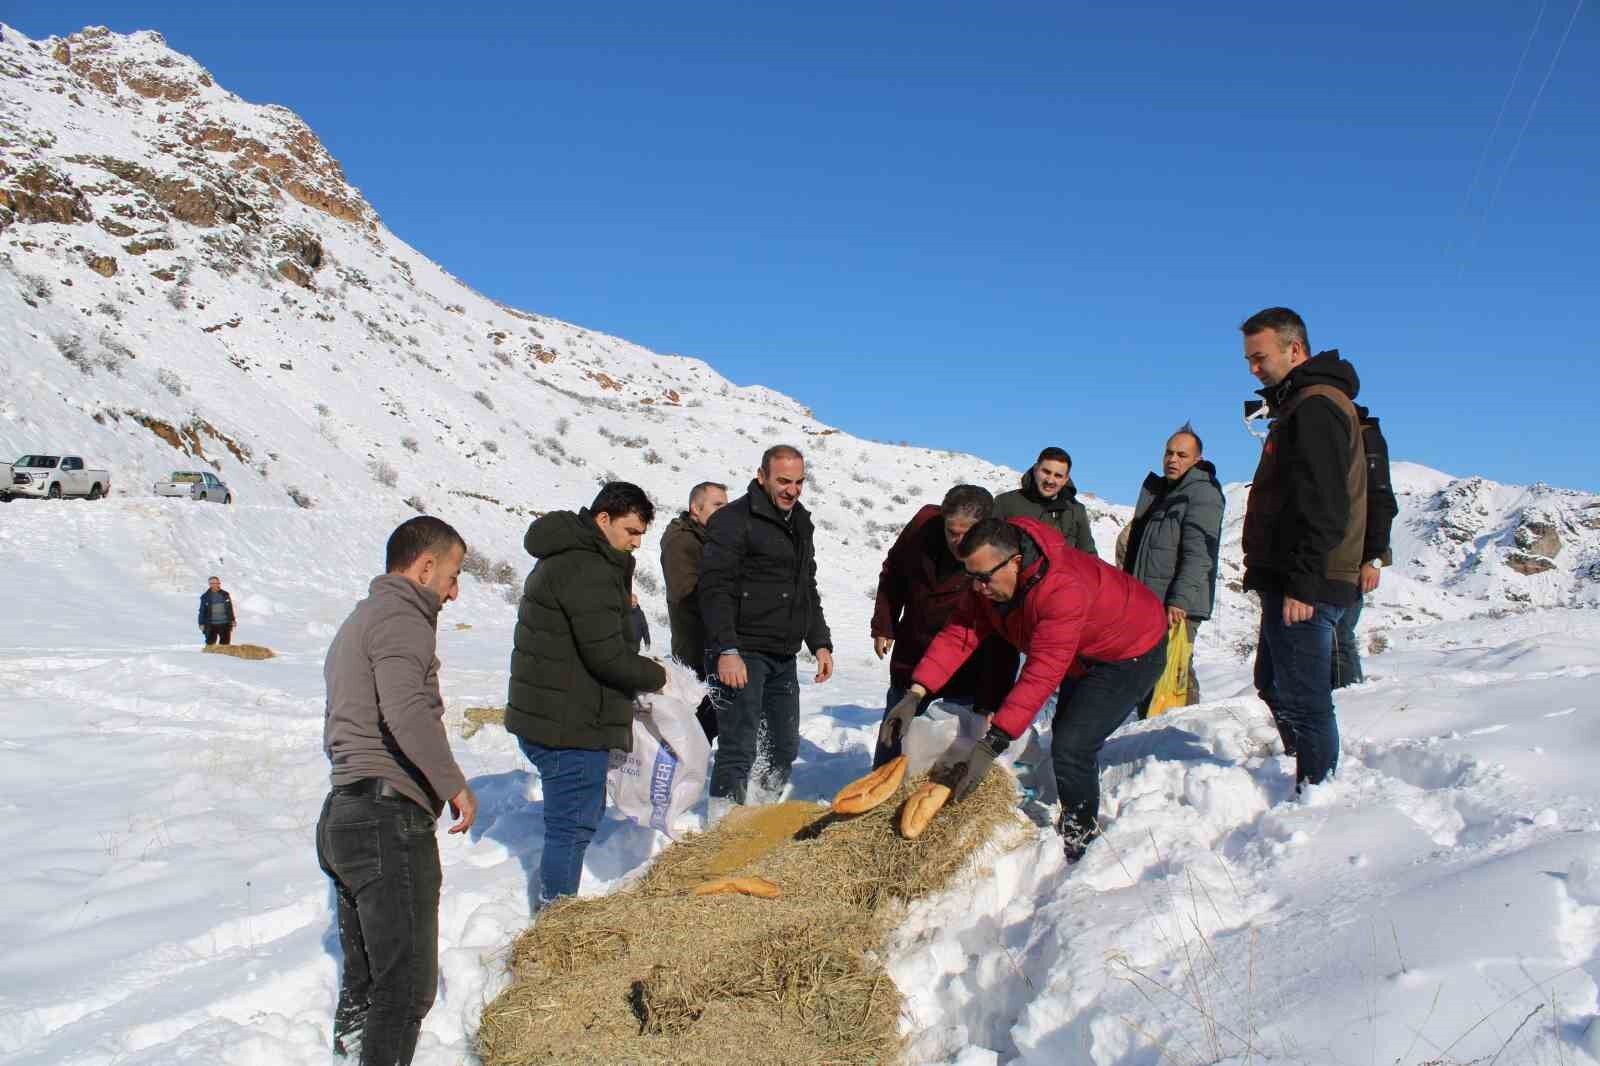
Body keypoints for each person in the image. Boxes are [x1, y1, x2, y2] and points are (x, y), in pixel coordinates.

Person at [884, 516, 1167, 863]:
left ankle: (1081, 836)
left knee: (1073, 744)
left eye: (983, 578)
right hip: (1084, 649)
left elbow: (1040, 674)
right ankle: (1075, 805)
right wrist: (916, 692)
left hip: (1133, 648)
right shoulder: (990, 583)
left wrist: (992, 744)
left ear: (1015, 562)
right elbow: (960, 634)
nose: (977, 588)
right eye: (970, 577)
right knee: (1067, 733)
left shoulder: (1061, 590)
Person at [316, 516, 478, 1065]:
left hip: (345, 813)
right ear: (426, 566)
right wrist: (453, 784)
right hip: (386, 820)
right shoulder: (403, 616)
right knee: (405, 988)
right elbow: (405, 710)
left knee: (367, 984)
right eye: (453, 575)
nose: (454, 591)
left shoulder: (360, 619)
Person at [505, 482, 667, 905]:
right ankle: (555, 919)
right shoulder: (586, 568)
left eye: (640, 535)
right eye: (630, 531)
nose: (635, 543)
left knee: (577, 817)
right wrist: (659, 677)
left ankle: (555, 907)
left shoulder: (584, 559)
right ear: (603, 519)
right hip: (567, 721)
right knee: (571, 825)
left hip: (562, 710)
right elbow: (607, 656)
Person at [1239, 307, 1368, 787]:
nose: (1254, 369)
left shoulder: (1315, 406)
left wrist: (1304, 584)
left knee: (1306, 701)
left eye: (1260, 357)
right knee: (1274, 684)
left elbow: (1324, 502)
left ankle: (1316, 795)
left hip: (1306, 583)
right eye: (1248, 359)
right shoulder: (1300, 404)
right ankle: (1303, 770)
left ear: (1295, 350)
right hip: (1289, 577)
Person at [699, 445, 833, 812]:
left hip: (782, 653)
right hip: (741, 650)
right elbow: (715, 590)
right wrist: (727, 650)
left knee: (783, 746)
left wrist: (819, 642)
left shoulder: (801, 521)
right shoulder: (732, 520)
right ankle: (722, 826)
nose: (793, 489)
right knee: (738, 744)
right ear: (762, 477)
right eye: (784, 481)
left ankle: (758, 811)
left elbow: (806, 586)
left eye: (799, 481)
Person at [869, 485, 1019, 767]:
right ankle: (878, 794)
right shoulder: (924, 526)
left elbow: (1003, 636)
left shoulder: (998, 553)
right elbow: (894, 572)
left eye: (967, 534)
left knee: (945, 750)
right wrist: (884, 624)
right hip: (914, 651)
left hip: (967, 666)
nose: (958, 541)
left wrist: (990, 701)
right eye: (952, 531)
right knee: (894, 732)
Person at [1117, 424, 1224, 710]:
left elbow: (1200, 552)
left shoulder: (1202, 494)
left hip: (1176, 606)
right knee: (1149, 676)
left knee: (1174, 676)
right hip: (1150, 600)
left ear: (1197, 460)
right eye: (1169, 453)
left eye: (1181, 455)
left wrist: (1179, 599)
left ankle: (1175, 738)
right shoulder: (1163, 492)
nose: (1172, 459)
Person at [1331, 405, 1398, 688]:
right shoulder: (1331, 436)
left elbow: (1381, 500)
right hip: (1330, 551)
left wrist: (1374, 558)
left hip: (1353, 555)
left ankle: (1349, 696)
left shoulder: (1365, 437)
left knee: (1339, 633)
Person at [661, 481, 730, 740]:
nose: (724, 511)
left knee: (714, 721)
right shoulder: (681, 542)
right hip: (696, 649)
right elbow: (685, 593)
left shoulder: (711, 538)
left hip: (716, 646)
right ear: (695, 508)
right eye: (717, 505)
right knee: (698, 727)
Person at [993, 446, 1098, 556]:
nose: (1050, 480)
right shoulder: (1005, 502)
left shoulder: (1077, 511)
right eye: (1046, 472)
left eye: (1058, 476)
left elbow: (1090, 557)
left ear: (1065, 479)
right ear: (1035, 469)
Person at [198, 575, 235, 645]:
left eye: (216, 583)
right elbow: (202, 611)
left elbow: (229, 608)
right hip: (211, 625)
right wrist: (201, 623)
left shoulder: (225, 594)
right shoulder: (205, 596)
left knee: (225, 646)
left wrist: (232, 620)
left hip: (225, 624)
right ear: (209, 584)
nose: (214, 585)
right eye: (212, 583)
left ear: (219, 583)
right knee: (210, 645)